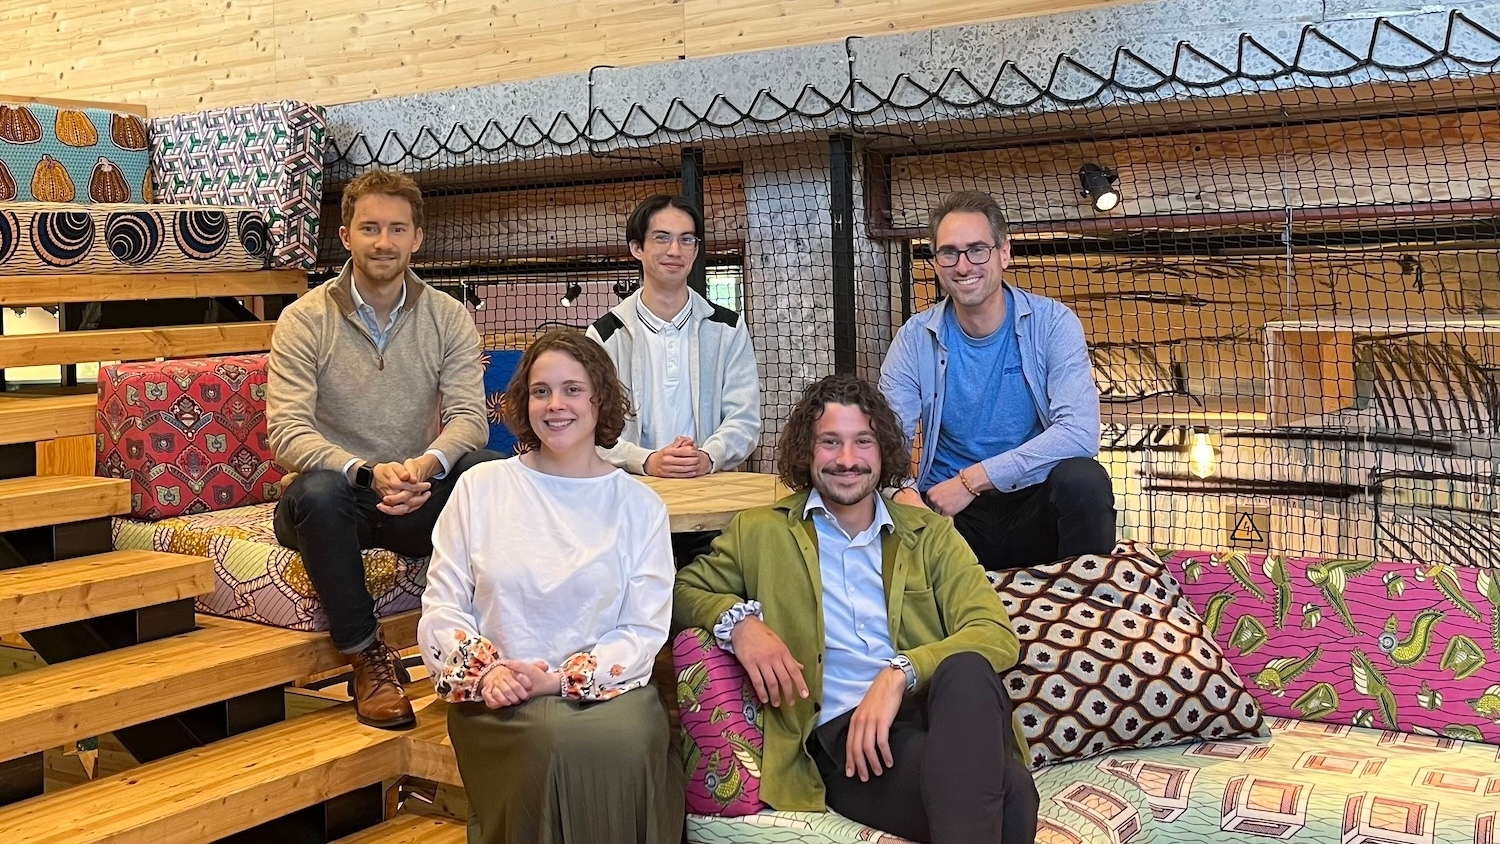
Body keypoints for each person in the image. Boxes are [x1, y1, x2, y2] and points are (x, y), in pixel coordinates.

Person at [674, 374, 1037, 844]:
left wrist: (898, 675)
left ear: (882, 450)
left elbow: (994, 633)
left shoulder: (930, 534)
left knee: (967, 669)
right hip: (851, 746)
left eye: (862, 441)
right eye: (830, 442)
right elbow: (684, 592)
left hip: (937, 714)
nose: (847, 460)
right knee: (1013, 793)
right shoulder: (760, 532)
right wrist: (740, 624)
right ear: (808, 451)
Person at [419, 329, 684, 844]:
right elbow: (441, 608)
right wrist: (489, 671)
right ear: (523, 401)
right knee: (548, 741)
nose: (555, 405)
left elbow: (642, 629)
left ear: (599, 399)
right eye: (541, 391)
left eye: (572, 389)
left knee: (626, 741)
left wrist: (561, 680)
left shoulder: (640, 506)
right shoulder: (480, 488)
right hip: (499, 699)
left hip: (607, 694)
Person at [268, 169, 499, 730]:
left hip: (417, 498)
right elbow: (287, 432)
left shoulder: (448, 316)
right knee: (317, 490)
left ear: (417, 238)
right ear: (345, 235)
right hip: (336, 504)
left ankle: (502, 636)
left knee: (490, 472)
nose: (383, 242)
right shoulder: (303, 319)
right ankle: (367, 658)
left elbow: (470, 421)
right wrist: (367, 473)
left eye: (397, 229)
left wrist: (423, 467)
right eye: (369, 228)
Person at [880, 189, 1115, 571]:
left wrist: (973, 479)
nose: (963, 265)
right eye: (949, 253)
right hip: (949, 517)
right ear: (937, 263)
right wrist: (908, 498)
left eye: (977, 249)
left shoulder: (1053, 323)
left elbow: (1079, 433)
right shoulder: (914, 337)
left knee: (1085, 480)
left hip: (1029, 504)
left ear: (1004, 253)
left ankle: (1081, 606)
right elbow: (886, 441)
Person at [586, 194, 760, 478]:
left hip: (709, 488)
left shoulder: (728, 328)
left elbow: (744, 419)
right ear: (637, 248)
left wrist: (707, 457)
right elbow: (589, 427)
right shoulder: (604, 336)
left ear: (695, 250)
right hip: (627, 491)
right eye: (662, 238)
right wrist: (646, 460)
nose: (675, 250)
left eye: (686, 239)